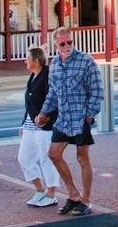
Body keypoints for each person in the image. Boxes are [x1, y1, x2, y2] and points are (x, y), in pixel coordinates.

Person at [37, 30, 103, 215]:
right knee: (54, 154)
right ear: (56, 46)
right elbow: (52, 93)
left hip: (80, 117)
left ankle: (87, 201)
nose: (67, 46)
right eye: (62, 44)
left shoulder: (86, 60)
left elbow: (97, 90)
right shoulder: (55, 64)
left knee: (83, 158)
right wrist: (44, 113)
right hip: (63, 119)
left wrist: (90, 114)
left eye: (69, 42)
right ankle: (74, 194)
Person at [18, 46, 61, 208]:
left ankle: (51, 193)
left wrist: (47, 116)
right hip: (30, 126)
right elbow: (29, 103)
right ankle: (39, 189)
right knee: (24, 158)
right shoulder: (33, 76)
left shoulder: (47, 76)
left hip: (44, 126)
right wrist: (24, 123)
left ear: (36, 60)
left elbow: (54, 100)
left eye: (27, 58)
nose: (25, 61)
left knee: (45, 158)